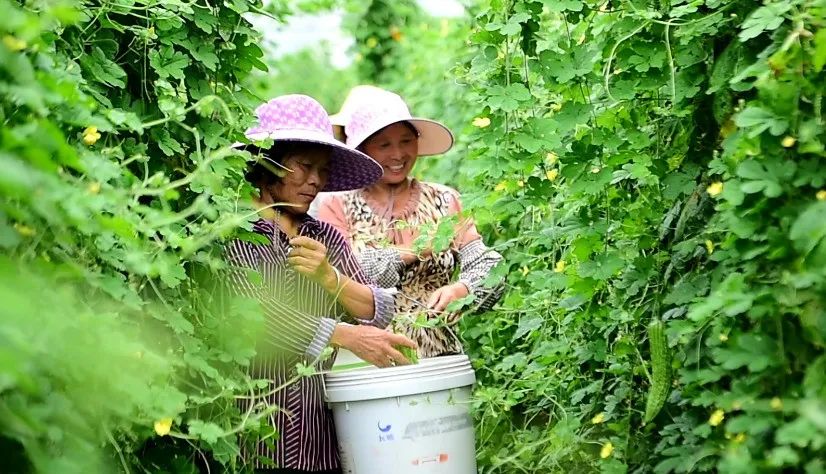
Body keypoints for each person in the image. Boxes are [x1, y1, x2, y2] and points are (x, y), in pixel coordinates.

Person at [225, 94, 416, 473]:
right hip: (252, 429)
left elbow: (377, 310)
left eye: (323, 171)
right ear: (267, 162)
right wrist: (343, 335)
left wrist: (331, 278)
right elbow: (255, 314)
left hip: (319, 435)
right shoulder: (235, 231)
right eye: (303, 166)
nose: (315, 181)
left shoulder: (324, 236)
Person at [316, 88, 504, 358]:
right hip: (366, 360)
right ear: (361, 149)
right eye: (383, 145)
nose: (398, 154)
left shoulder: (444, 200)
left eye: (406, 141)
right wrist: (412, 251)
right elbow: (338, 277)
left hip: (439, 355)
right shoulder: (335, 206)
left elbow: (488, 266)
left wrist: (462, 289)